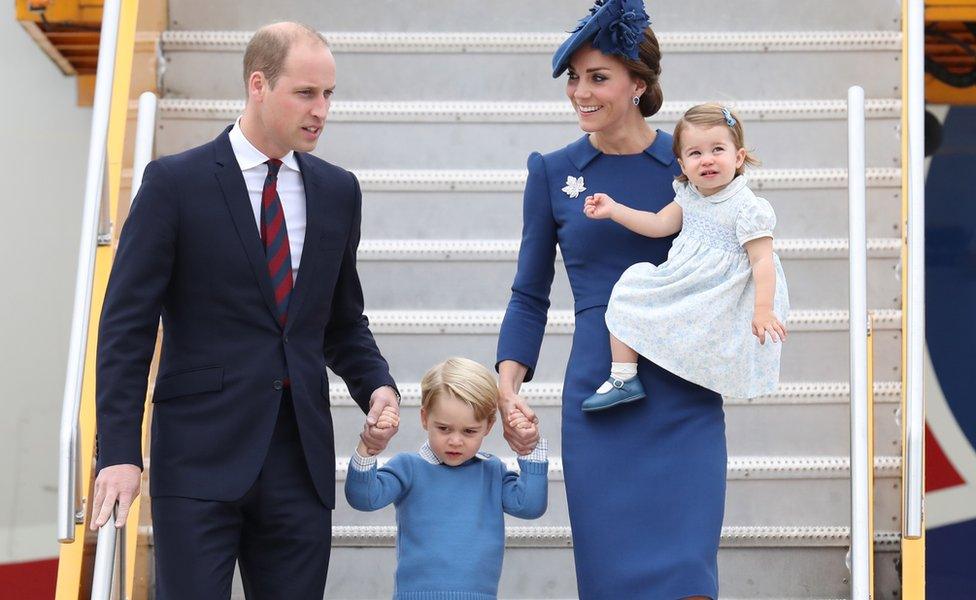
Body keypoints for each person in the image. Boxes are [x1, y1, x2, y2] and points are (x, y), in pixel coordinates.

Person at [90, 22, 401, 599]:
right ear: (258, 84)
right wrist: (119, 452)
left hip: (299, 464)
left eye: (329, 94)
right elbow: (125, 328)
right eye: (306, 93)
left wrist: (376, 385)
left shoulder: (338, 191)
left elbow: (340, 319)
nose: (321, 110)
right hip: (199, 459)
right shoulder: (173, 183)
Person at [496, 0, 727, 597]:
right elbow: (529, 294)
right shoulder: (552, 172)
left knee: (689, 580)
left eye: (598, 77)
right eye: (574, 78)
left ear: (639, 84)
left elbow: (742, 251)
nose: (580, 92)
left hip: (685, 394)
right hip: (601, 399)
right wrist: (508, 383)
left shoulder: (692, 163)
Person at [580, 104, 790, 411]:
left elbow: (762, 260)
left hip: (723, 294)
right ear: (682, 162)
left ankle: (691, 373)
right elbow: (658, 223)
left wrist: (763, 310)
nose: (707, 160)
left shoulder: (748, 207)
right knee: (630, 288)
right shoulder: (689, 194)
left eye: (718, 149)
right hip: (687, 280)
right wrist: (614, 210)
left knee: (708, 333)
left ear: (739, 157)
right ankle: (624, 377)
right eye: (695, 153)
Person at [345, 357, 548, 600]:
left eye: (469, 431)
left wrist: (529, 448)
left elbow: (531, 505)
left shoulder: (492, 471)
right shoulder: (408, 468)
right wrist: (368, 447)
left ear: (489, 426)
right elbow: (363, 499)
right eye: (444, 428)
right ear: (424, 418)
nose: (455, 440)